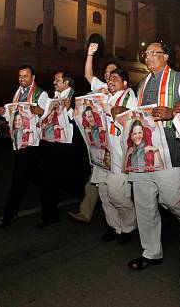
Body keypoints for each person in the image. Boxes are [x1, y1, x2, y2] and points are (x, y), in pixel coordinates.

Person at [122, 41, 180, 270]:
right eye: (147, 53)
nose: (149, 57)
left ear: (166, 57)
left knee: (172, 199)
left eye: (155, 53)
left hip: (171, 149)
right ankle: (151, 252)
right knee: (143, 203)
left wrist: (172, 113)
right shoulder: (141, 84)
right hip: (144, 151)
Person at [68, 43, 121, 224]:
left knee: (115, 189)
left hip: (114, 145)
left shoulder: (121, 93)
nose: (107, 75)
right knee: (96, 180)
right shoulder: (100, 86)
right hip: (98, 143)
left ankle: (124, 222)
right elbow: (88, 75)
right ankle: (92, 215)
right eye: (106, 72)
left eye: (112, 72)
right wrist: (90, 54)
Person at [0, 65, 48, 228]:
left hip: (32, 143)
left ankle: (9, 215)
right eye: (20, 76)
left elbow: (47, 115)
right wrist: (4, 112)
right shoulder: (18, 92)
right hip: (19, 142)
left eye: (26, 76)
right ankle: (52, 195)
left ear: (33, 78)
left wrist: (37, 110)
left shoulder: (41, 93)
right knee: (36, 177)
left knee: (18, 179)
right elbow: (14, 116)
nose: (22, 79)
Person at [90, 68, 138, 243]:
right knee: (103, 192)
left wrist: (111, 110)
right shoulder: (104, 97)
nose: (110, 81)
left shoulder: (131, 99)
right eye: (109, 79)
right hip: (102, 153)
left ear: (125, 83)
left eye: (115, 79)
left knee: (117, 194)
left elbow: (132, 119)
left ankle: (129, 226)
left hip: (119, 154)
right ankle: (115, 226)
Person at [42, 71, 92, 227]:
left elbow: (83, 121)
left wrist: (70, 109)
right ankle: (50, 216)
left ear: (67, 83)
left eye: (57, 80)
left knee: (72, 180)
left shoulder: (77, 97)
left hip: (72, 149)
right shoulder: (55, 98)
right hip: (54, 144)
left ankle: (87, 204)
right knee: (51, 180)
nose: (54, 83)